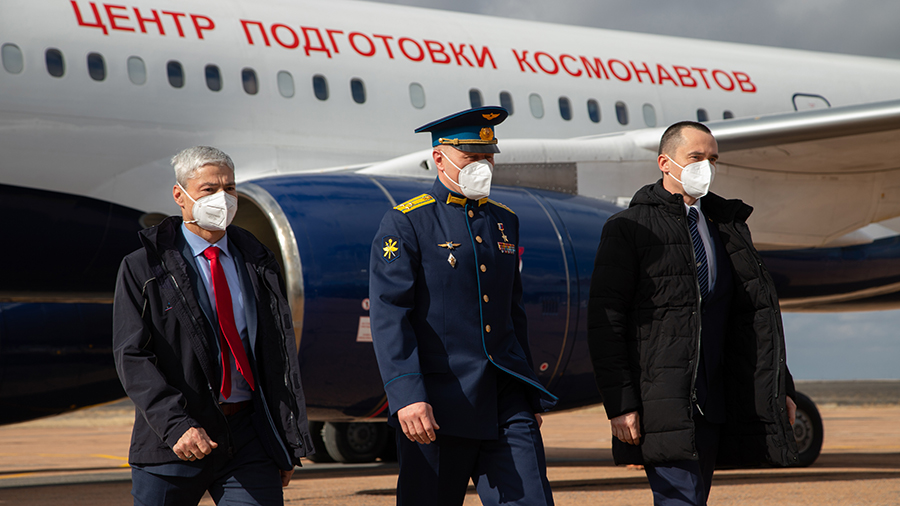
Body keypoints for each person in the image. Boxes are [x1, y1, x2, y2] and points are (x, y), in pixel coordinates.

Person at [587, 121, 799, 505]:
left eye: (713, 159)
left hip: (718, 398)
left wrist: (780, 387)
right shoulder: (628, 228)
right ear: (665, 163)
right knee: (680, 499)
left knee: (695, 498)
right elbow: (607, 324)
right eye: (696, 157)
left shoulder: (728, 226)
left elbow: (754, 317)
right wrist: (621, 405)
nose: (706, 167)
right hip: (664, 401)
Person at [369, 107, 557, 506]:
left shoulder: (504, 221)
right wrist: (406, 394)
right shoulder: (408, 222)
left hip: (505, 399)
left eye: (488, 157)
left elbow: (512, 312)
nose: (483, 166)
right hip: (437, 405)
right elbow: (390, 314)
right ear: (440, 158)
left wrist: (527, 395)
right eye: (472, 158)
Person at [113, 146, 314, 505]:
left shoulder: (257, 262)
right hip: (175, 438)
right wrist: (176, 425)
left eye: (230, 188)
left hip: (249, 436)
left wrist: (284, 439)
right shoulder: (144, 267)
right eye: (209, 189)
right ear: (181, 195)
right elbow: (132, 355)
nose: (223, 198)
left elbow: (276, 357)